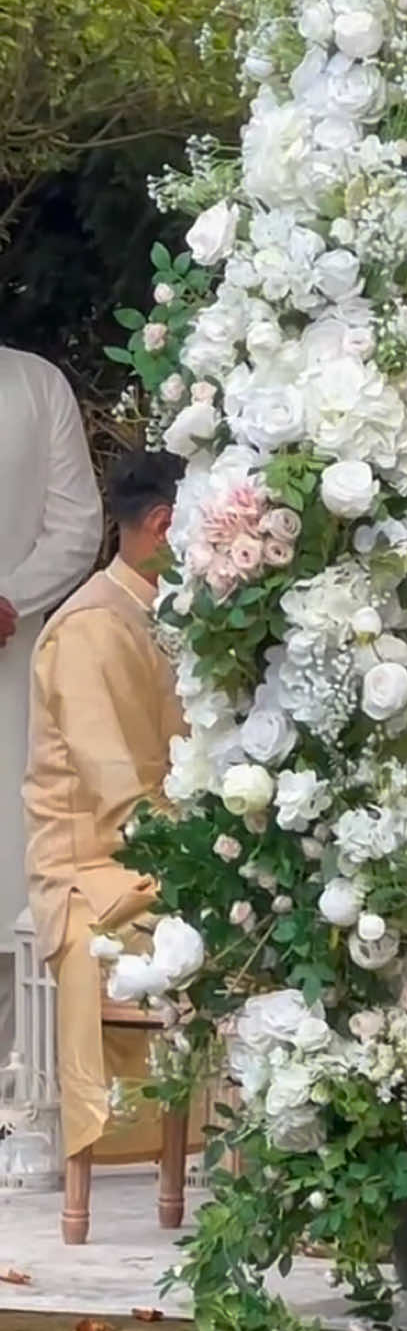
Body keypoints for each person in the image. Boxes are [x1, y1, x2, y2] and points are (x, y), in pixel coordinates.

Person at [23, 448, 186, 1186]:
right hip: (96, 874)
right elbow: (120, 797)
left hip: (155, 853)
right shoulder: (90, 625)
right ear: (165, 523)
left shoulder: (157, 614)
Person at [0, 346, 103, 1042]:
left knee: (12, 895)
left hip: (10, 672)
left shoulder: (36, 383)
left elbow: (77, 525)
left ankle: (14, 1116)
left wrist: (10, 599)